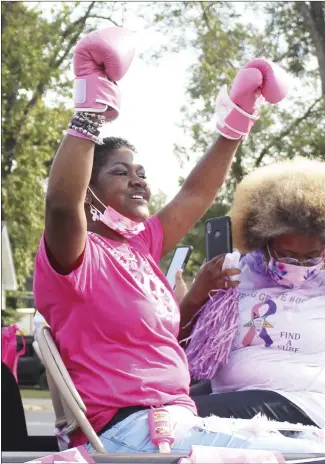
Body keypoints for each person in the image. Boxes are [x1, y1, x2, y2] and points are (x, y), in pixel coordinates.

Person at [34, 26, 320, 454]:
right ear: (88, 192)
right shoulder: (77, 256)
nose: (138, 180)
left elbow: (195, 194)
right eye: (120, 172)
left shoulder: (140, 246)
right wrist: (91, 107)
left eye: (142, 173)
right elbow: (60, 203)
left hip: (172, 421)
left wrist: (238, 120)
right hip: (126, 430)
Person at [181, 157, 325, 430]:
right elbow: (181, 347)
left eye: (311, 257)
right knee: (157, 409)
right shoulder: (232, 274)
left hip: (305, 405)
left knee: (170, 416)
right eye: (287, 255)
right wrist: (197, 295)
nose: (299, 265)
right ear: (263, 241)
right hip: (230, 396)